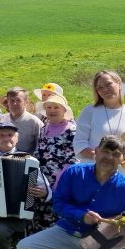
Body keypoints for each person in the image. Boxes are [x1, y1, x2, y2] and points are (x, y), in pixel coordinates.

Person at [18, 135, 125, 249]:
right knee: (25, 247)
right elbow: (58, 203)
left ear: (123, 159)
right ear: (96, 151)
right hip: (68, 230)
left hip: (102, 239)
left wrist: (111, 227)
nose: (109, 157)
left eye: (116, 154)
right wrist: (81, 215)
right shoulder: (74, 172)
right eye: (106, 151)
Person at [73, 70, 125, 178]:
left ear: (119, 84)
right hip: (92, 173)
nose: (105, 89)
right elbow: (79, 144)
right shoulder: (89, 112)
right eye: (100, 87)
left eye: (108, 84)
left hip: (121, 175)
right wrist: (102, 158)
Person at [31, 93, 78, 232]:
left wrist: (54, 188)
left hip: (60, 185)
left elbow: (72, 161)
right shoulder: (44, 129)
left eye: (56, 107)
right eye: (49, 107)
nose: (52, 110)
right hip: (41, 183)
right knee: (38, 222)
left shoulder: (71, 130)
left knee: (56, 222)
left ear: (64, 110)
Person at [0, 87, 43, 154]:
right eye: (12, 100)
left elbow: (40, 146)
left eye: (18, 100)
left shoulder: (34, 122)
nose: (14, 104)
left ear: (26, 102)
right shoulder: (2, 119)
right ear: (7, 102)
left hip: (25, 158)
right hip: (3, 157)